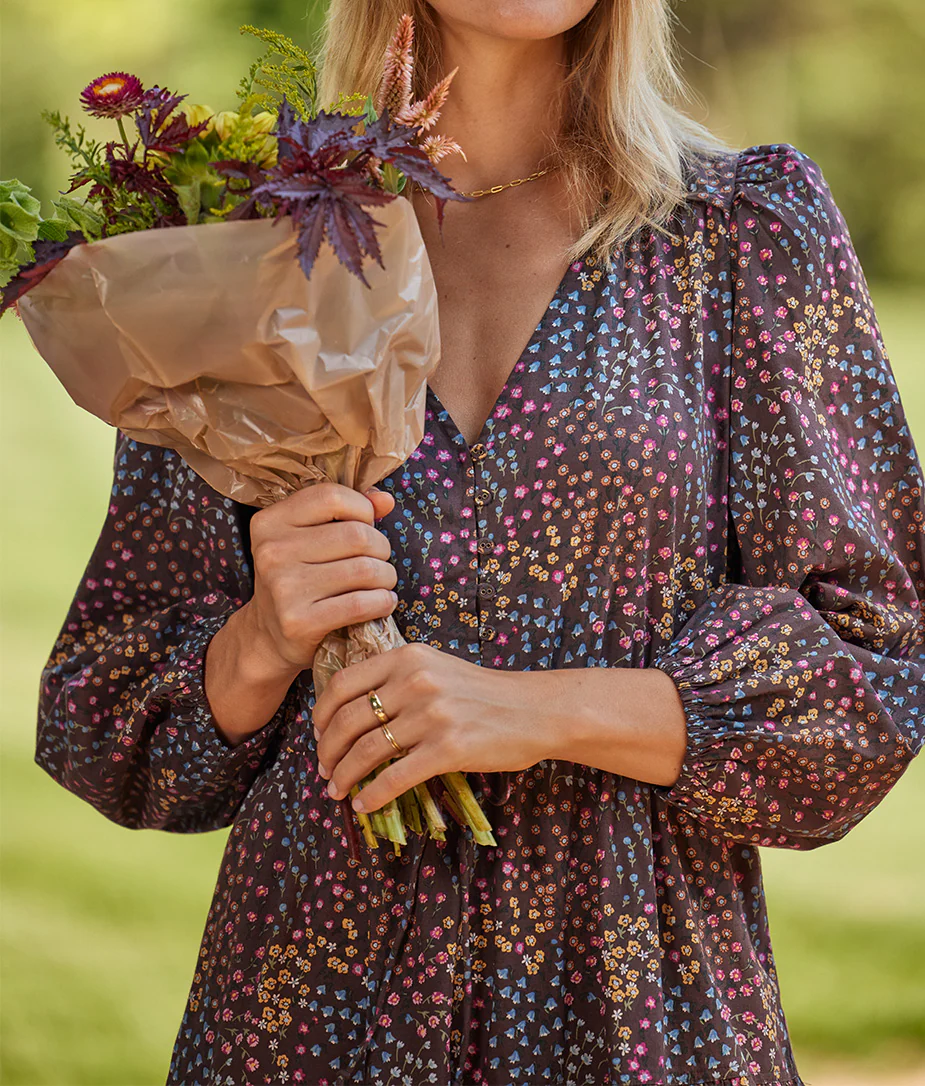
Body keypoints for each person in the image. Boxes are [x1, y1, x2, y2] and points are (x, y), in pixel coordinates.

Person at [36, 1, 925, 1083]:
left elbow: (874, 672)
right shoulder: (246, 238)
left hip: (643, 1008)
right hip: (314, 1011)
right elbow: (107, 716)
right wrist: (263, 640)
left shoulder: (745, 233)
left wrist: (538, 710)